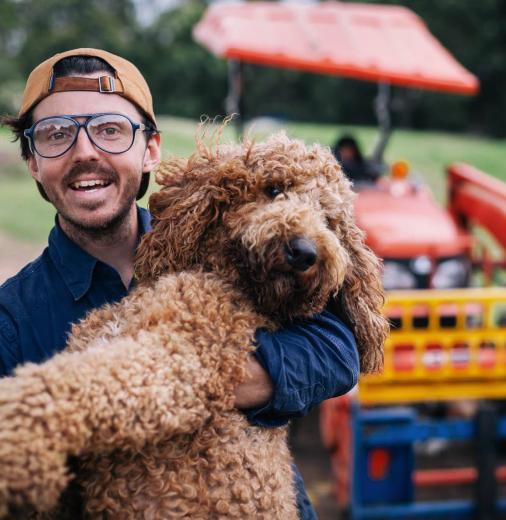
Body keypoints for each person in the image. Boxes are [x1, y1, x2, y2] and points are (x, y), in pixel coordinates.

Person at [0, 48, 359, 518]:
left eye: (109, 130)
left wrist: (215, 372)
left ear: (150, 149)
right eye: (56, 135)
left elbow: (338, 347)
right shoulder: (12, 318)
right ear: (33, 163)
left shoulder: (223, 249)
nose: (84, 152)